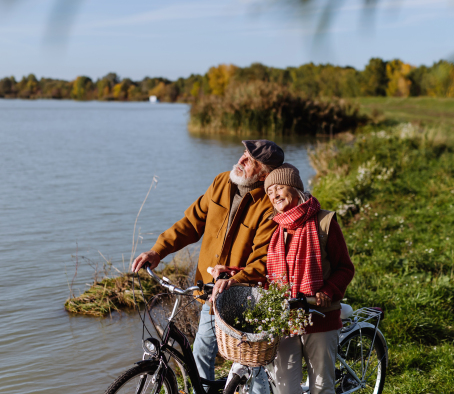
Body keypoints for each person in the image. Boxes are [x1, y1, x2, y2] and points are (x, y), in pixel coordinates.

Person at [131, 140, 285, 394]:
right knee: (201, 349)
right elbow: (191, 223)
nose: (242, 160)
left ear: (264, 173)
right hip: (210, 290)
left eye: (251, 160)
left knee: (249, 362)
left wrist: (235, 279)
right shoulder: (221, 182)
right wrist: (158, 250)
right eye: (244, 154)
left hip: (244, 295)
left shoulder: (269, 204)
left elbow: (264, 259)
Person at [263, 163, 355, 394]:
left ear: (295, 189)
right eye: (269, 191)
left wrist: (328, 290)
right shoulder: (276, 229)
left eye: (279, 187)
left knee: (322, 387)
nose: (274, 195)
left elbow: (345, 267)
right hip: (285, 319)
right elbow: (270, 276)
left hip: (320, 316)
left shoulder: (324, 222)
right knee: (285, 389)